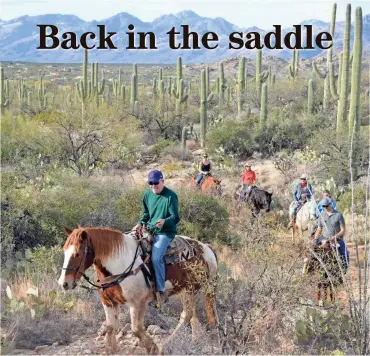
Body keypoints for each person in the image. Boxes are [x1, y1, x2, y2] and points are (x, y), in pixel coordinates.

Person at [132, 170, 180, 304]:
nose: (153, 186)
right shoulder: (147, 194)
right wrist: (139, 223)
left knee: (156, 257)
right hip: (149, 229)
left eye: (156, 183)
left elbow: (175, 217)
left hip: (165, 232)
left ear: (162, 181)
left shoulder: (171, 196)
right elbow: (145, 214)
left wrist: (165, 221)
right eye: (150, 183)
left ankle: (161, 290)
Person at [313, 197, 349, 270]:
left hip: (337, 240)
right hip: (324, 239)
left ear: (330, 204)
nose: (325, 207)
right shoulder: (322, 215)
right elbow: (319, 229)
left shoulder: (338, 215)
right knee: (312, 252)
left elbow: (343, 230)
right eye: (323, 206)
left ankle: (344, 269)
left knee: (345, 256)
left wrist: (334, 237)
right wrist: (315, 237)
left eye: (326, 205)